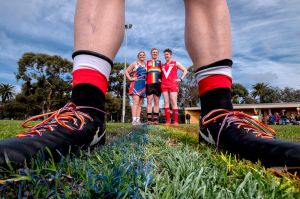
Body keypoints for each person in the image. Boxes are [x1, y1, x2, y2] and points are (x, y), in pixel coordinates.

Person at [0, 0, 299, 170]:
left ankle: (216, 117)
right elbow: (132, 71)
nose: (154, 55)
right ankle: (87, 112)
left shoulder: (161, 63)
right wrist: (131, 77)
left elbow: (177, 69)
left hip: (164, 87)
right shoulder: (146, 64)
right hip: (146, 87)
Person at [161, 48, 187, 125]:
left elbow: (185, 70)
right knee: (166, 102)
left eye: (167, 54)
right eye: (165, 54)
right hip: (164, 85)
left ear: (170, 55)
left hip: (173, 85)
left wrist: (181, 79)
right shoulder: (162, 65)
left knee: (174, 102)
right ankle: (168, 121)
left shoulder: (176, 63)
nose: (166, 56)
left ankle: (175, 121)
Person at [125, 51, 147, 125]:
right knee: (135, 102)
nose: (142, 56)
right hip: (136, 84)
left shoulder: (146, 65)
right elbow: (126, 71)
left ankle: (138, 120)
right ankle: (133, 120)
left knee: (140, 104)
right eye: (140, 55)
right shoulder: (135, 63)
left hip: (143, 85)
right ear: (138, 56)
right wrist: (131, 78)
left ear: (145, 56)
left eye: (143, 55)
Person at [145, 48, 162, 125]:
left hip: (158, 84)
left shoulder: (160, 63)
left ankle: (155, 120)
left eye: (156, 52)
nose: (154, 53)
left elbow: (163, 73)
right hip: (149, 83)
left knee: (156, 102)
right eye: (153, 52)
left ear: (157, 54)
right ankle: (148, 120)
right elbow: (144, 73)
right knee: (149, 101)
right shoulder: (147, 62)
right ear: (151, 53)